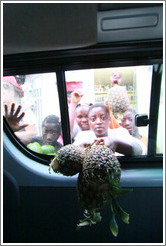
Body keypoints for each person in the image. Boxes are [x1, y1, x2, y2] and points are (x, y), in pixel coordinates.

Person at [73, 104, 146, 156]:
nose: (98, 122)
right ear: (89, 121)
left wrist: (117, 144)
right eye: (93, 119)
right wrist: (80, 150)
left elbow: (140, 149)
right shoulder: (83, 136)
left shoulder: (120, 132)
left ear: (109, 120)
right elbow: (71, 153)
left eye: (103, 118)